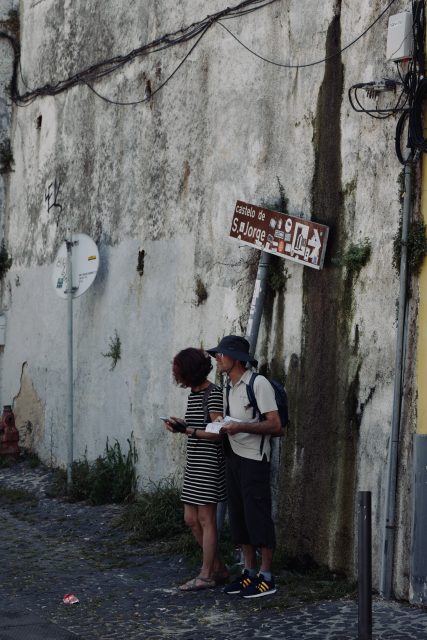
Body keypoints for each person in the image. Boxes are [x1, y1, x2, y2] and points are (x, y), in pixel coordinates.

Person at [207, 335, 281, 598]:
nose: (217, 358)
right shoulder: (228, 386)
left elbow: (275, 424)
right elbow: (231, 419)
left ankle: (266, 576)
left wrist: (240, 426)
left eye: (221, 354)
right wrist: (222, 424)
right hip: (233, 456)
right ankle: (249, 573)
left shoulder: (258, 384)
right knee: (239, 518)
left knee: (258, 516)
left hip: (254, 460)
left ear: (236, 359)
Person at [163, 347, 229, 591]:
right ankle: (219, 568)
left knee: (206, 518)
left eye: (178, 370)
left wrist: (187, 430)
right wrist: (180, 425)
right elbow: (198, 426)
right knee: (191, 519)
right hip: (195, 462)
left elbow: (217, 432)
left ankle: (206, 574)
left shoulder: (213, 394)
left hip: (209, 463)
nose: (176, 374)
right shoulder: (194, 394)